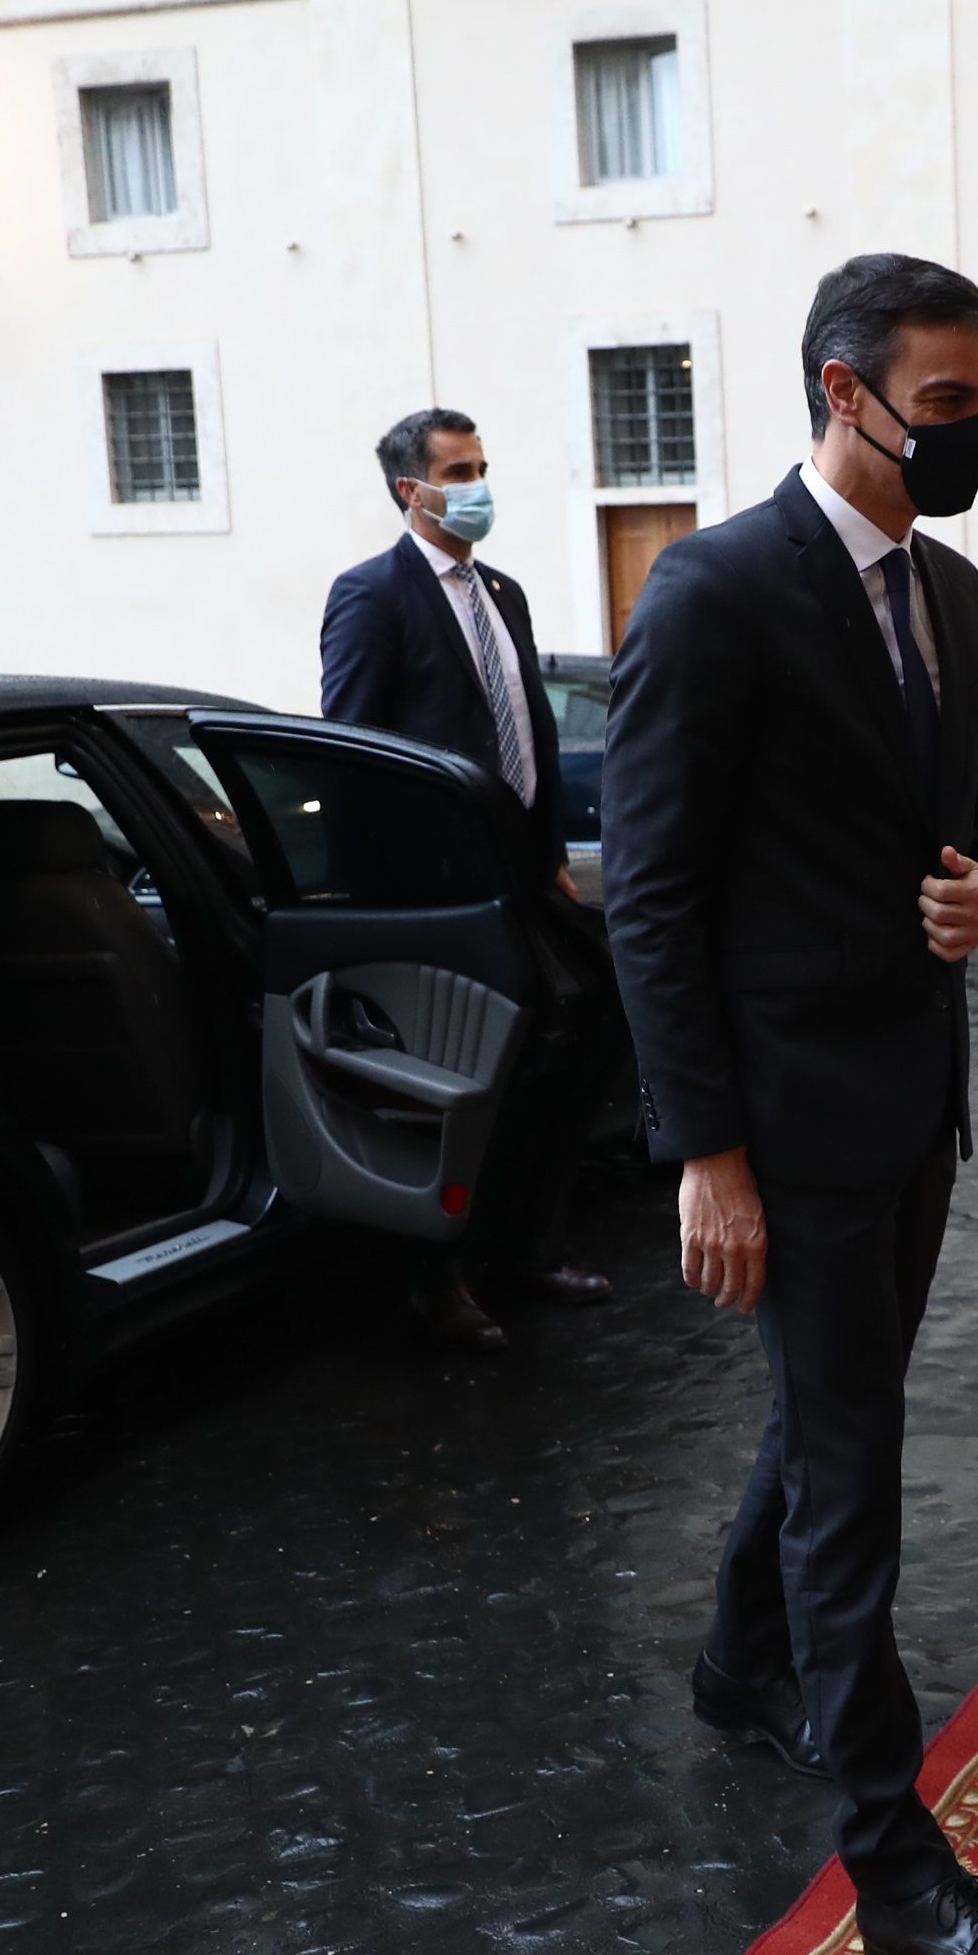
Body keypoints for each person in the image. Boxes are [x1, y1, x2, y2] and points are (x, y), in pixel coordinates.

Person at [595, 255, 978, 1955]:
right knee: (851, 1469)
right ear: (843, 392)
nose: (972, 432)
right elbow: (646, 897)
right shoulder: (715, 594)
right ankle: (894, 1862)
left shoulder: (961, 604)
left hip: (914, 1102)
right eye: (944, 404)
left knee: (836, 1409)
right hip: (784, 1123)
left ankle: (743, 1663)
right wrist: (702, 1150)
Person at [320, 409, 619, 1351]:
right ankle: (436, 1280)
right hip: (433, 895)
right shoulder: (372, 595)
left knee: (587, 1026)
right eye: (459, 469)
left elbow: (520, 721)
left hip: (521, 878)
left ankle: (527, 1247)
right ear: (413, 490)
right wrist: (385, 903)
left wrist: (548, 860)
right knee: (452, 1083)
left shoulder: (505, 592)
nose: (479, 483)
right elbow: (352, 751)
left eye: (483, 464)